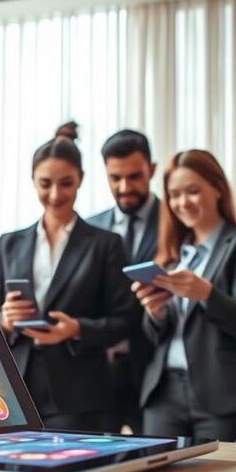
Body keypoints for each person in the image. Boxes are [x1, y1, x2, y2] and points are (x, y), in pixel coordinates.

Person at [0, 122, 138, 432]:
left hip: (79, 392)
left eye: (66, 183)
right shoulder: (9, 243)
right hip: (16, 387)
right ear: (32, 181)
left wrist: (76, 329)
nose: (55, 194)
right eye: (45, 184)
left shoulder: (105, 244)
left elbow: (125, 320)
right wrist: (3, 318)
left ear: (80, 180)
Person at [131, 150, 236, 441]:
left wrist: (207, 294)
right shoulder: (171, 257)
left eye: (193, 191)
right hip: (164, 392)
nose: (183, 203)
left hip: (221, 393)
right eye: (174, 195)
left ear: (218, 188)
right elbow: (156, 336)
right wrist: (154, 313)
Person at [86, 129, 159, 434]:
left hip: (155, 371)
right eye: (115, 178)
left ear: (152, 170)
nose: (124, 187)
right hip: (99, 371)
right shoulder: (89, 228)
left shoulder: (177, 221)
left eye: (134, 176)